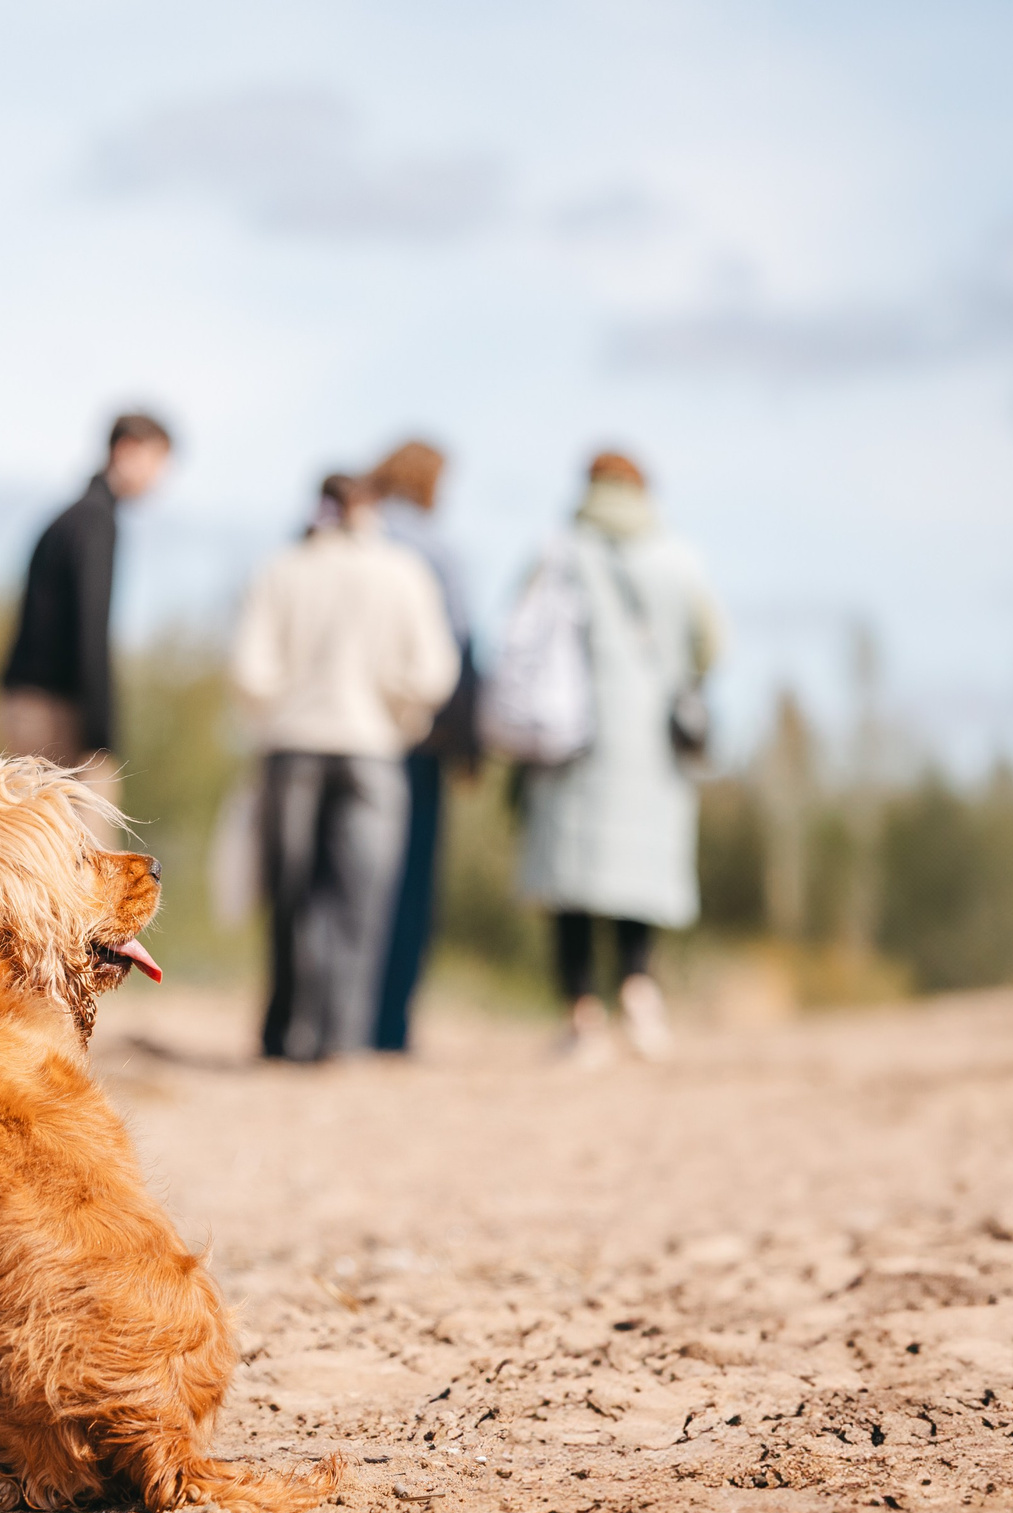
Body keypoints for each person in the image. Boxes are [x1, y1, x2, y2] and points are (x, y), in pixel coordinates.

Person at [232, 473, 460, 1063]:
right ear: (370, 510)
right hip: (375, 750)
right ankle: (342, 1038)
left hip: (292, 746)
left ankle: (285, 1034)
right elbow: (434, 672)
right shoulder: (403, 571)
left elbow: (250, 671)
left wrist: (283, 705)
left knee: (292, 895)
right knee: (362, 902)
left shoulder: (281, 568)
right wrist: (397, 712)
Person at [513, 451, 723, 1064]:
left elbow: (521, 632)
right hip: (652, 743)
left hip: (570, 734)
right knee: (640, 875)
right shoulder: (678, 558)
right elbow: (713, 643)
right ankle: (640, 992)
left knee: (571, 881)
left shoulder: (560, 551)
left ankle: (583, 1018)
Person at [0, 412, 175, 820]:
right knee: (88, 858)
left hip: (28, 705)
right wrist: (100, 738)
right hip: (51, 713)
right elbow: (90, 630)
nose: (159, 479)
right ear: (127, 451)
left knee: (34, 847)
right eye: (157, 462)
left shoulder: (72, 517)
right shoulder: (95, 522)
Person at [365, 441, 480, 1053]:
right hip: (418, 741)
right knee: (409, 885)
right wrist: (469, 746)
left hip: (345, 732)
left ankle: (335, 1019)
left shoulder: (349, 532)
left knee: (344, 884)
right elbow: (460, 649)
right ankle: (390, 1027)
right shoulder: (437, 550)